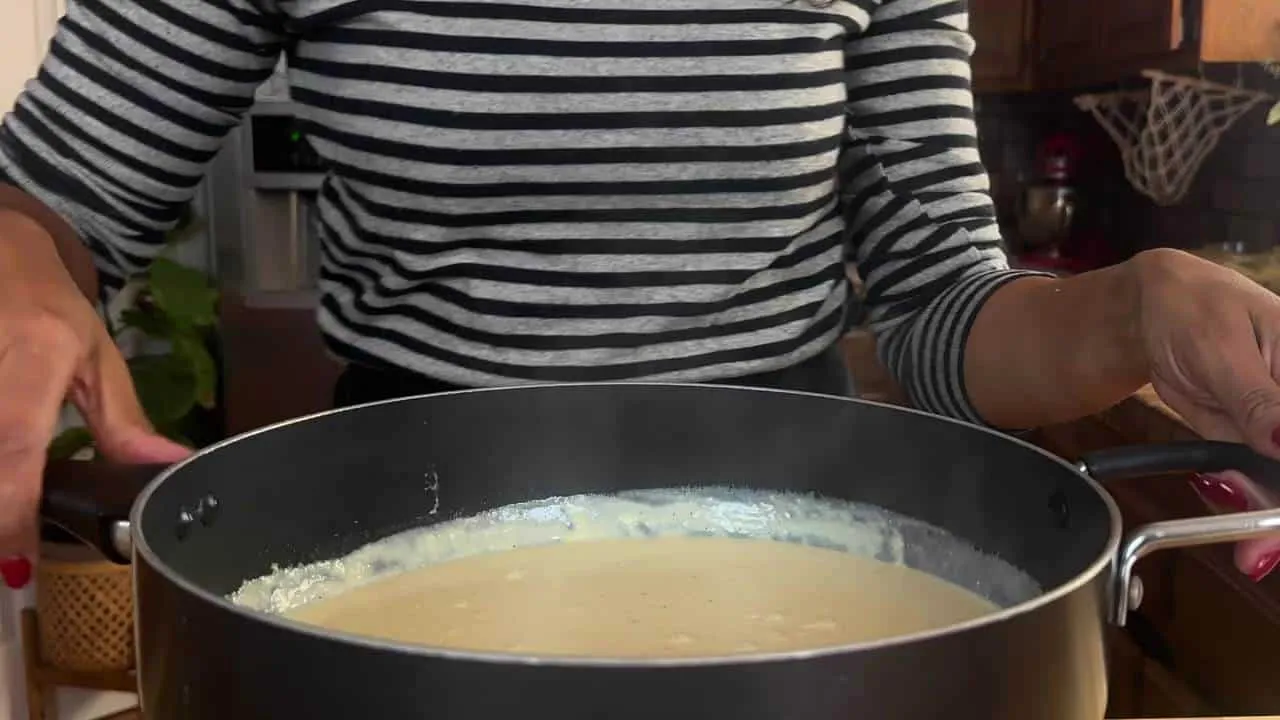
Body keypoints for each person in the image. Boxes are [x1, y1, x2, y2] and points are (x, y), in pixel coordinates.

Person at [0, 0, 1277, 586]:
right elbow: (47, 204)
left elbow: (940, 307)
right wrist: (22, 274)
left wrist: (1134, 307)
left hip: (796, 552)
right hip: (390, 541)